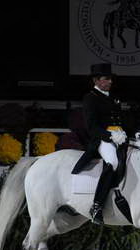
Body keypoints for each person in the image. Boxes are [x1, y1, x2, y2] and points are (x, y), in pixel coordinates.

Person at [57, 63, 134, 224]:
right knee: (112, 162)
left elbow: (122, 120)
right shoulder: (90, 98)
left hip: (120, 136)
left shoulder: (113, 97)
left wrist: (134, 133)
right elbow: (91, 127)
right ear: (97, 80)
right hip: (102, 139)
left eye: (110, 78)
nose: (110, 82)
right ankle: (97, 205)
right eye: (106, 79)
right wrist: (110, 135)